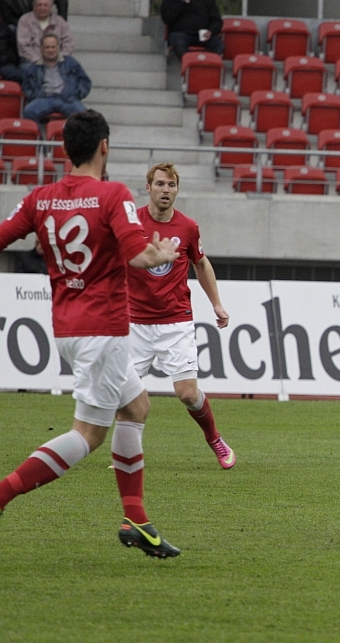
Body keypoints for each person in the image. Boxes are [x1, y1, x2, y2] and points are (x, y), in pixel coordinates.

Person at [0, 109, 183, 558]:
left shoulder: (40, 198)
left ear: (66, 149)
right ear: (105, 146)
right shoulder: (112, 194)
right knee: (87, 434)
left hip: (68, 327)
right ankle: (3, 494)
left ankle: (136, 519)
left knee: (136, 406)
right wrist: (160, 255)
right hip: (104, 330)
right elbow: (138, 255)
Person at [126, 163, 236, 469]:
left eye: (171, 185)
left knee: (187, 394)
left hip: (175, 321)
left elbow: (200, 263)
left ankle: (214, 438)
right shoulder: (131, 223)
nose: (165, 190)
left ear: (177, 190)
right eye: (160, 184)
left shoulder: (187, 227)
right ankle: (128, 454)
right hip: (134, 323)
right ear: (148, 188)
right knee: (126, 396)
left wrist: (216, 304)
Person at [21, 32, 88, 124]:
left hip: (67, 99)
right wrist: (34, 96)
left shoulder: (71, 62)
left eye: (53, 47)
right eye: (47, 47)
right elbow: (26, 86)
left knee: (83, 115)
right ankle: (38, 133)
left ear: (58, 47)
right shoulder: (33, 68)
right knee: (28, 111)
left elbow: (85, 80)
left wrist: (78, 94)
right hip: (44, 98)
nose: (50, 50)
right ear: (41, 48)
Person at [0, 17, 21, 82]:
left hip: (5, 63)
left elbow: (13, 47)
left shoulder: (5, 28)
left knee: (21, 75)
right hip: (4, 64)